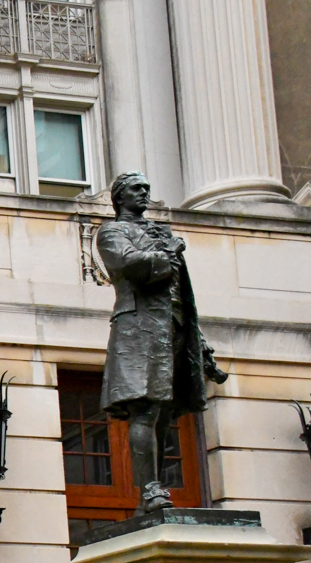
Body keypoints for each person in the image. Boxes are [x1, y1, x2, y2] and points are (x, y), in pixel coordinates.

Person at [98, 171, 226, 515]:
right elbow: (127, 264)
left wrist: (197, 339)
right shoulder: (112, 231)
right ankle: (149, 489)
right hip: (138, 328)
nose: (145, 193)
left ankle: (154, 489)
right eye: (137, 189)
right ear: (120, 197)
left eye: (147, 188)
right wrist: (166, 251)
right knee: (147, 407)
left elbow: (180, 294)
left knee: (166, 413)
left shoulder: (158, 233)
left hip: (174, 327)